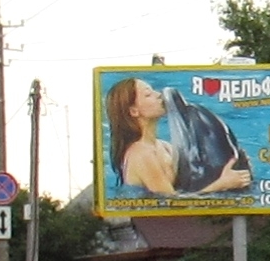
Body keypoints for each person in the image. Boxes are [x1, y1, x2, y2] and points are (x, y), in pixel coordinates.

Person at [108, 76, 253, 200]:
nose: (159, 94)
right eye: (148, 95)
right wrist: (222, 184)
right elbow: (170, 204)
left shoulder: (163, 146)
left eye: (153, 90)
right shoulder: (141, 154)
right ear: (134, 111)